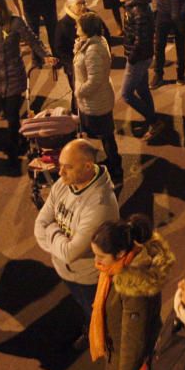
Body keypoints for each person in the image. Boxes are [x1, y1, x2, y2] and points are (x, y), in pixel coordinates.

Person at [35, 138, 120, 349]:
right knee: (85, 307)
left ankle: (104, 340)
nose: (60, 173)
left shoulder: (100, 205)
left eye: (68, 167)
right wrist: (59, 245)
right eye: (60, 166)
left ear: (88, 166)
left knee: (97, 311)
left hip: (86, 277)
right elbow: (39, 224)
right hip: (67, 269)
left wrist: (52, 231)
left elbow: (70, 252)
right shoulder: (65, 184)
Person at [89, 214, 176, 370]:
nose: (97, 261)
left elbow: (133, 342)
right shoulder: (114, 270)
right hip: (116, 352)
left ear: (121, 253)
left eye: (101, 256)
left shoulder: (134, 287)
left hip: (125, 360)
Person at [0, 0, 55, 164]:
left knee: (11, 115)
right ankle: (18, 139)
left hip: (13, 74)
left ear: (0, 6)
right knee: (7, 112)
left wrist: (45, 55)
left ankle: (14, 148)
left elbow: (33, 41)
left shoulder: (15, 23)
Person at [74, 12, 123, 181]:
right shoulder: (92, 42)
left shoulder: (93, 50)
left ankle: (115, 166)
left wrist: (80, 91)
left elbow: (95, 79)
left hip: (95, 100)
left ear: (86, 28)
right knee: (105, 133)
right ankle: (113, 162)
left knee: (105, 134)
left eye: (78, 25)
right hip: (97, 98)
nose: (76, 27)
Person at [116, 0, 162, 141]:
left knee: (126, 93)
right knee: (142, 89)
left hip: (138, 58)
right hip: (143, 56)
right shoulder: (134, 6)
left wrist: (132, 57)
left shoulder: (138, 11)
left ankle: (155, 121)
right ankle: (152, 119)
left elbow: (140, 39)